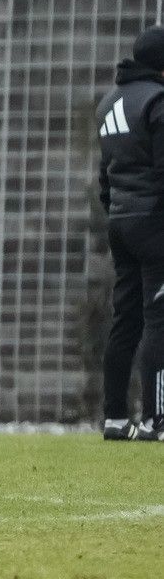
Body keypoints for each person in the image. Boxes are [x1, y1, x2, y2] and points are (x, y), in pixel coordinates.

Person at [96, 23, 164, 441]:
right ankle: (159, 419)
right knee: (160, 319)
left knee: (126, 320)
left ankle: (116, 419)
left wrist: (117, 211)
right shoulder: (158, 102)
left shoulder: (109, 103)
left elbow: (105, 176)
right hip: (154, 224)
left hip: (120, 222)